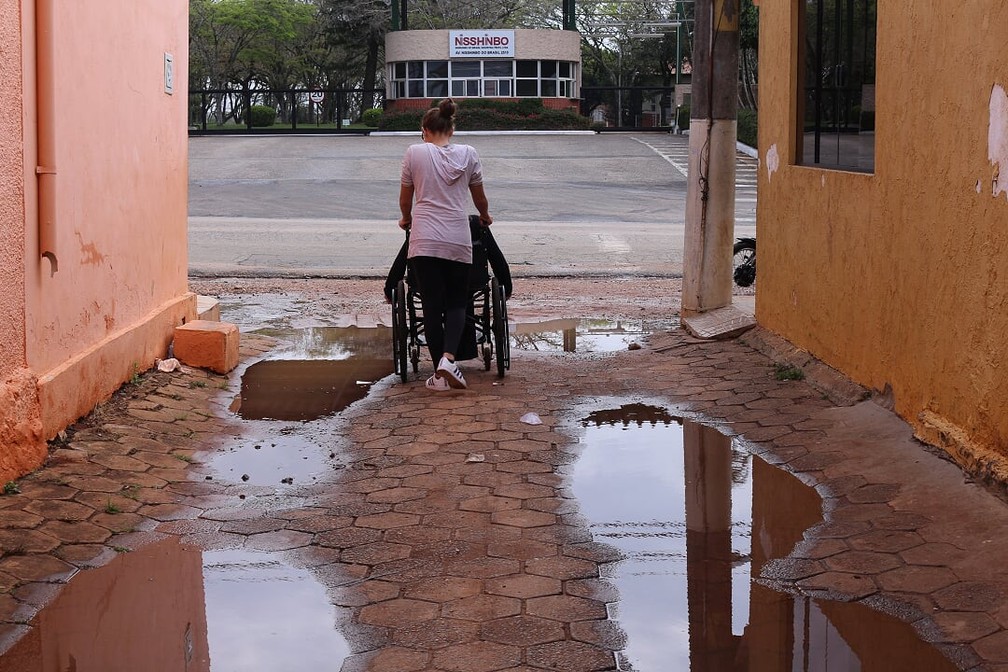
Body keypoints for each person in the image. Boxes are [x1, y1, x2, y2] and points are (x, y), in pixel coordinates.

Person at [398, 98, 492, 391]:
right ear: (452, 129)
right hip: (457, 237)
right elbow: (479, 198)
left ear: (425, 129)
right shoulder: (470, 154)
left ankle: (440, 372)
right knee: (456, 302)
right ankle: (449, 360)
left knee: (431, 305)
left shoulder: (414, 153)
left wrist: (405, 219)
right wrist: (486, 216)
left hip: (424, 238)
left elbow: (405, 198)